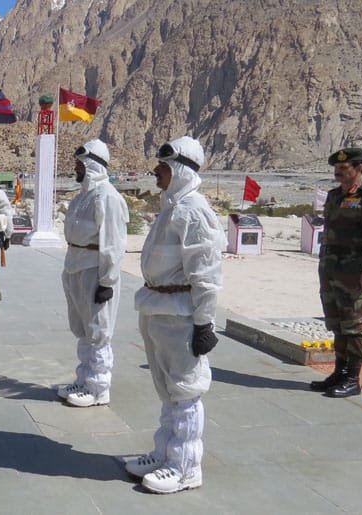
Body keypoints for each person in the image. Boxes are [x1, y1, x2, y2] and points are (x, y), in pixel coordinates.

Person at [124, 136, 225, 494]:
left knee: (184, 392)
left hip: (180, 313)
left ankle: (184, 467)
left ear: (180, 170)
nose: (156, 171)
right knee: (168, 390)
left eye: (164, 167)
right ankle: (165, 453)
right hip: (157, 307)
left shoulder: (194, 210)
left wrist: (204, 322)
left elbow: (206, 274)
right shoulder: (173, 206)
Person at [310, 147, 362, 398]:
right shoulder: (334, 196)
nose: (338, 173)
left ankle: (353, 378)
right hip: (329, 268)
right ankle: (339, 372)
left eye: (344, 168)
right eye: (336, 169)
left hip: (352, 270)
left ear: (359, 168)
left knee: (352, 325)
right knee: (336, 323)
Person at [56, 139, 129, 408]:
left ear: (92, 165)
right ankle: (84, 380)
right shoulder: (81, 197)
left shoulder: (107, 197)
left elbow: (113, 243)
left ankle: (98, 388)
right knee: (84, 329)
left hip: (94, 271)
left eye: (80, 164)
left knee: (98, 331)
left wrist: (107, 281)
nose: (76, 168)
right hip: (75, 266)